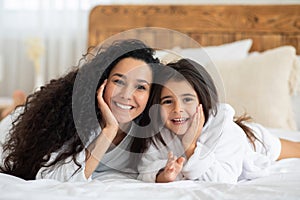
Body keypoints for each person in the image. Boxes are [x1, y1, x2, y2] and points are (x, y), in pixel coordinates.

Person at [0, 39, 161, 182]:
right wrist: (109, 130)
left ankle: (17, 105)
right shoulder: (79, 120)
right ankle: (15, 107)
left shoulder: (149, 130)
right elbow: (51, 177)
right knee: (15, 115)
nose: (126, 95)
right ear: (102, 82)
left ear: (150, 95)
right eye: (119, 81)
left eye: (140, 87)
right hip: (15, 127)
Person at [137, 58, 300, 184]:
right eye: (167, 101)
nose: (177, 109)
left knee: (294, 148)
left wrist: (191, 146)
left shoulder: (226, 131)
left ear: (203, 102)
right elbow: (145, 168)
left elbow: (224, 180)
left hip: (252, 140)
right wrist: (162, 176)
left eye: (187, 99)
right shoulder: (160, 134)